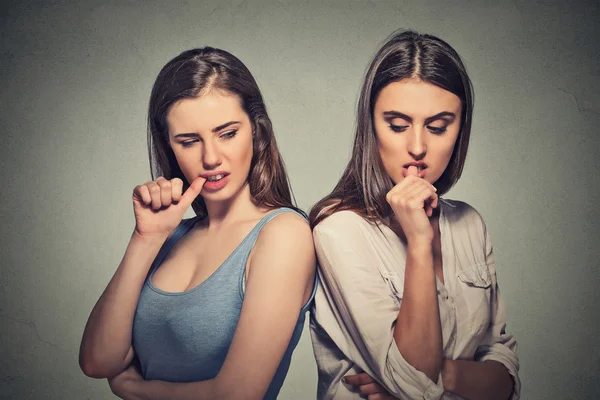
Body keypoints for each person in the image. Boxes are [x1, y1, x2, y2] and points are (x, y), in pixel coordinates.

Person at [79, 47, 316, 400]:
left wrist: (134, 389)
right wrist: (145, 239)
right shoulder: (170, 236)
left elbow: (237, 394)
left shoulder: (283, 234)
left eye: (227, 133)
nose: (210, 158)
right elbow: (98, 361)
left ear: (257, 131)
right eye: (189, 141)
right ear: (170, 147)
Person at [309, 30, 520, 400]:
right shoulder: (338, 231)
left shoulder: (470, 224)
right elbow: (412, 379)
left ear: (461, 129)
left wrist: (446, 374)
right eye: (398, 125)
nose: (418, 147)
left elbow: (505, 380)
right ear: (370, 126)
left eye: (438, 127)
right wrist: (419, 240)